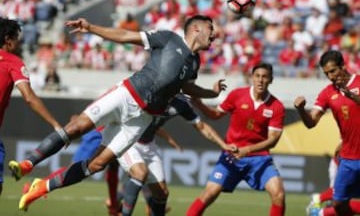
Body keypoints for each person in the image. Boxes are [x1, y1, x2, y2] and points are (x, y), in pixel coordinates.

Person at [9, 14, 226, 211]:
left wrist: (210, 92)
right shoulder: (169, 38)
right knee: (76, 128)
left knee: (96, 165)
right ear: (196, 29)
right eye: (211, 27)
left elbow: (187, 87)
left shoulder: (194, 63)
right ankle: (27, 164)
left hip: (141, 120)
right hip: (126, 96)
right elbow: (125, 35)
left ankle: (42, 187)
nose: (214, 34)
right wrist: (91, 27)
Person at [187, 63, 286, 216]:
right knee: (209, 194)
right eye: (257, 76)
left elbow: (273, 140)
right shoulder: (237, 95)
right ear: (251, 78)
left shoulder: (276, 106)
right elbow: (214, 115)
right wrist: (198, 103)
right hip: (231, 156)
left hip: (259, 159)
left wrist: (247, 150)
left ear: (271, 80)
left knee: (278, 194)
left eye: (265, 77)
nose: (260, 80)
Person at [118, 93, 236, 216]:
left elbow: (201, 126)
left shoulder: (181, 103)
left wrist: (223, 144)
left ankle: (115, 201)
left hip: (149, 145)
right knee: (139, 174)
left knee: (162, 193)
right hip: (129, 140)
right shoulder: (152, 90)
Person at [294, 50, 360, 216]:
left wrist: (354, 97)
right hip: (348, 158)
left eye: (333, 71)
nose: (330, 76)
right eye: (326, 73)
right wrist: (301, 110)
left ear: (343, 67)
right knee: (338, 204)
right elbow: (311, 123)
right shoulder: (327, 93)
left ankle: (320, 213)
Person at [0, 17, 61, 195]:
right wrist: (55, 124)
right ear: (8, 40)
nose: (19, 43)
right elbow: (29, 97)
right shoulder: (13, 62)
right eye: (17, 39)